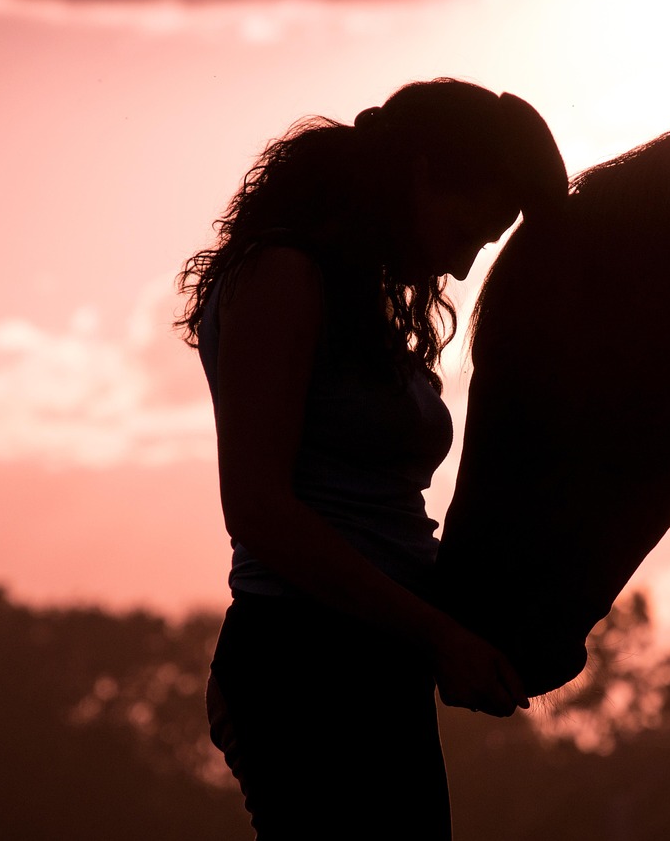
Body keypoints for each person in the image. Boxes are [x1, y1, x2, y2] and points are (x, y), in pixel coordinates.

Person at [176, 79, 567, 838]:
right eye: (463, 231)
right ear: (420, 172)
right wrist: (439, 635)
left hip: (372, 660)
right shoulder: (282, 276)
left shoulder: (363, 308)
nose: (459, 267)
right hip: (302, 662)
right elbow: (259, 509)